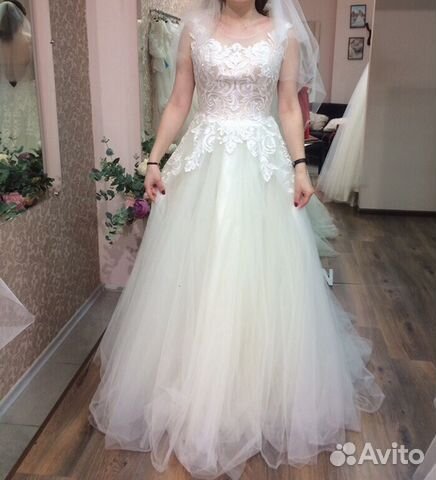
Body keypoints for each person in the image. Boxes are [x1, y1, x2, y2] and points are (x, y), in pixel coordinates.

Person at [88, 1, 385, 479]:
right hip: (204, 162)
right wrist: (154, 159)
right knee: (201, 278)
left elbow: (287, 107)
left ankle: (260, 395)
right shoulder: (194, 27)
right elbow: (179, 100)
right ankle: (199, 392)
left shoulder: (283, 33)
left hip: (260, 167)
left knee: (258, 280)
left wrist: (300, 168)